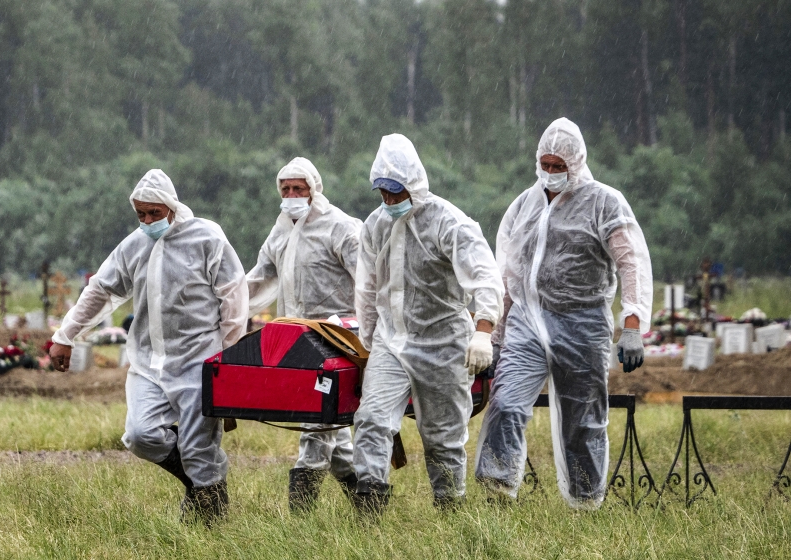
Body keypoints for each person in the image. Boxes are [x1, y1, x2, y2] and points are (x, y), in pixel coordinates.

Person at [48, 169, 248, 525]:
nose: (147, 221)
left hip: (199, 361)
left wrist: (229, 360)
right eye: (141, 214)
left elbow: (233, 295)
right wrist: (66, 336)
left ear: (171, 206)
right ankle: (199, 484)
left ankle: (212, 524)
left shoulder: (207, 237)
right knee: (140, 435)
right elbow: (100, 291)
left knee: (200, 448)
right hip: (148, 363)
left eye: (154, 213)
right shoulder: (135, 245)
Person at [475, 117, 653, 510]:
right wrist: (495, 335)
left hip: (582, 323)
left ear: (576, 163)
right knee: (505, 404)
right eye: (546, 164)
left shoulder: (604, 202)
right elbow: (504, 271)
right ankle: (497, 492)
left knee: (582, 420)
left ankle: (585, 502)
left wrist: (633, 323)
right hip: (526, 320)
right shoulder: (524, 204)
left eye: (560, 166)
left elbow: (631, 263)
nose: (551, 173)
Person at [352, 134, 503, 515]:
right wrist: (366, 344)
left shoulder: (450, 223)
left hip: (442, 343)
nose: (388, 200)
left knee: (442, 438)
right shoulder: (375, 226)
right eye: (381, 192)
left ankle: (450, 510)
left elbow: (484, 276)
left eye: (394, 191)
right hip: (391, 340)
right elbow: (368, 288)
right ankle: (369, 508)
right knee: (371, 419)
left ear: (412, 184)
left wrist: (483, 330)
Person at [245, 157, 362, 512]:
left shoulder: (339, 227)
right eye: (286, 189)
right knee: (329, 428)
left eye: (299, 188)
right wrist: (222, 302)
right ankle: (367, 502)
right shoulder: (280, 231)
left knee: (317, 422)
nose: (292, 195)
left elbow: (369, 282)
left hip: (336, 340)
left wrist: (369, 329)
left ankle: (301, 515)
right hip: (296, 342)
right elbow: (258, 278)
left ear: (314, 190)